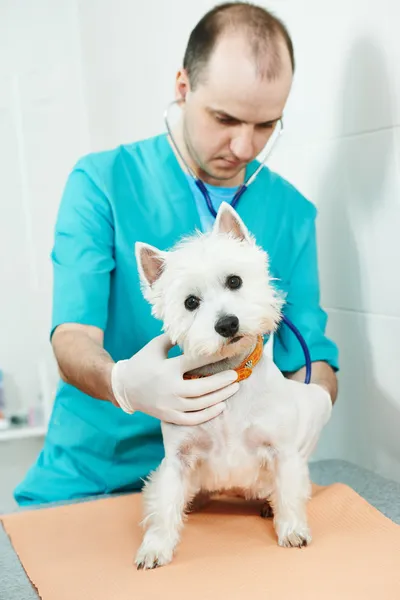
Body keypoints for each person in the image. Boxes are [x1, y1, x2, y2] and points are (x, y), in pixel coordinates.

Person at [15, 2, 339, 506]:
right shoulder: (102, 183)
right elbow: (73, 337)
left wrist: (316, 399)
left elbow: (311, 353)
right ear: (183, 88)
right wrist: (123, 382)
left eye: (265, 125)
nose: (244, 146)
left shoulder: (292, 212)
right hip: (97, 474)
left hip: (231, 482)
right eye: (225, 118)